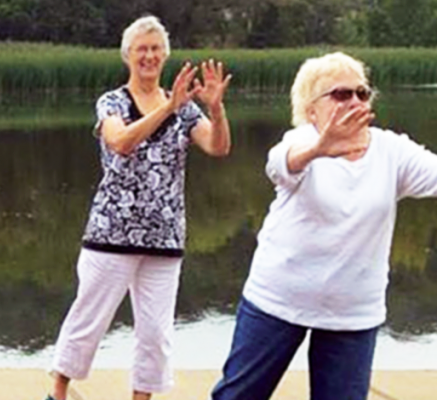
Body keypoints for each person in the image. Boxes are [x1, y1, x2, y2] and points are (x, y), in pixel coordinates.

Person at [210, 51, 437, 400]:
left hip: (352, 311)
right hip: (279, 297)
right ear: (311, 109)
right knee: (238, 395)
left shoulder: (392, 151)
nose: (354, 101)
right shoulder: (301, 143)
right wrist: (320, 148)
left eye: (361, 93)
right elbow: (279, 165)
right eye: (341, 94)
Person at [46, 15, 232, 400]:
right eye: (141, 49)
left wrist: (215, 109)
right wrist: (167, 108)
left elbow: (218, 146)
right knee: (89, 318)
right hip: (112, 231)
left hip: (164, 236)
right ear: (128, 55)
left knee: (155, 332)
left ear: (165, 55)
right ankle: (58, 392)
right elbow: (120, 141)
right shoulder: (112, 101)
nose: (149, 56)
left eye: (155, 49)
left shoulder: (184, 108)